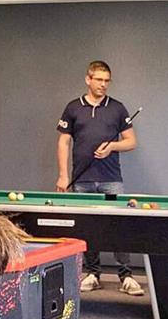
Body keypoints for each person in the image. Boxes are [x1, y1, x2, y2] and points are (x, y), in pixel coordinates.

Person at [54, 60, 143, 296]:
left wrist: (112, 146)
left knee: (118, 227)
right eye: (99, 80)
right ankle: (93, 274)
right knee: (87, 227)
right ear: (88, 79)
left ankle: (126, 276)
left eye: (107, 81)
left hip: (111, 179)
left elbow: (131, 142)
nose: (103, 85)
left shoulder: (117, 108)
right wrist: (63, 175)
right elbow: (63, 142)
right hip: (82, 179)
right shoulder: (74, 107)